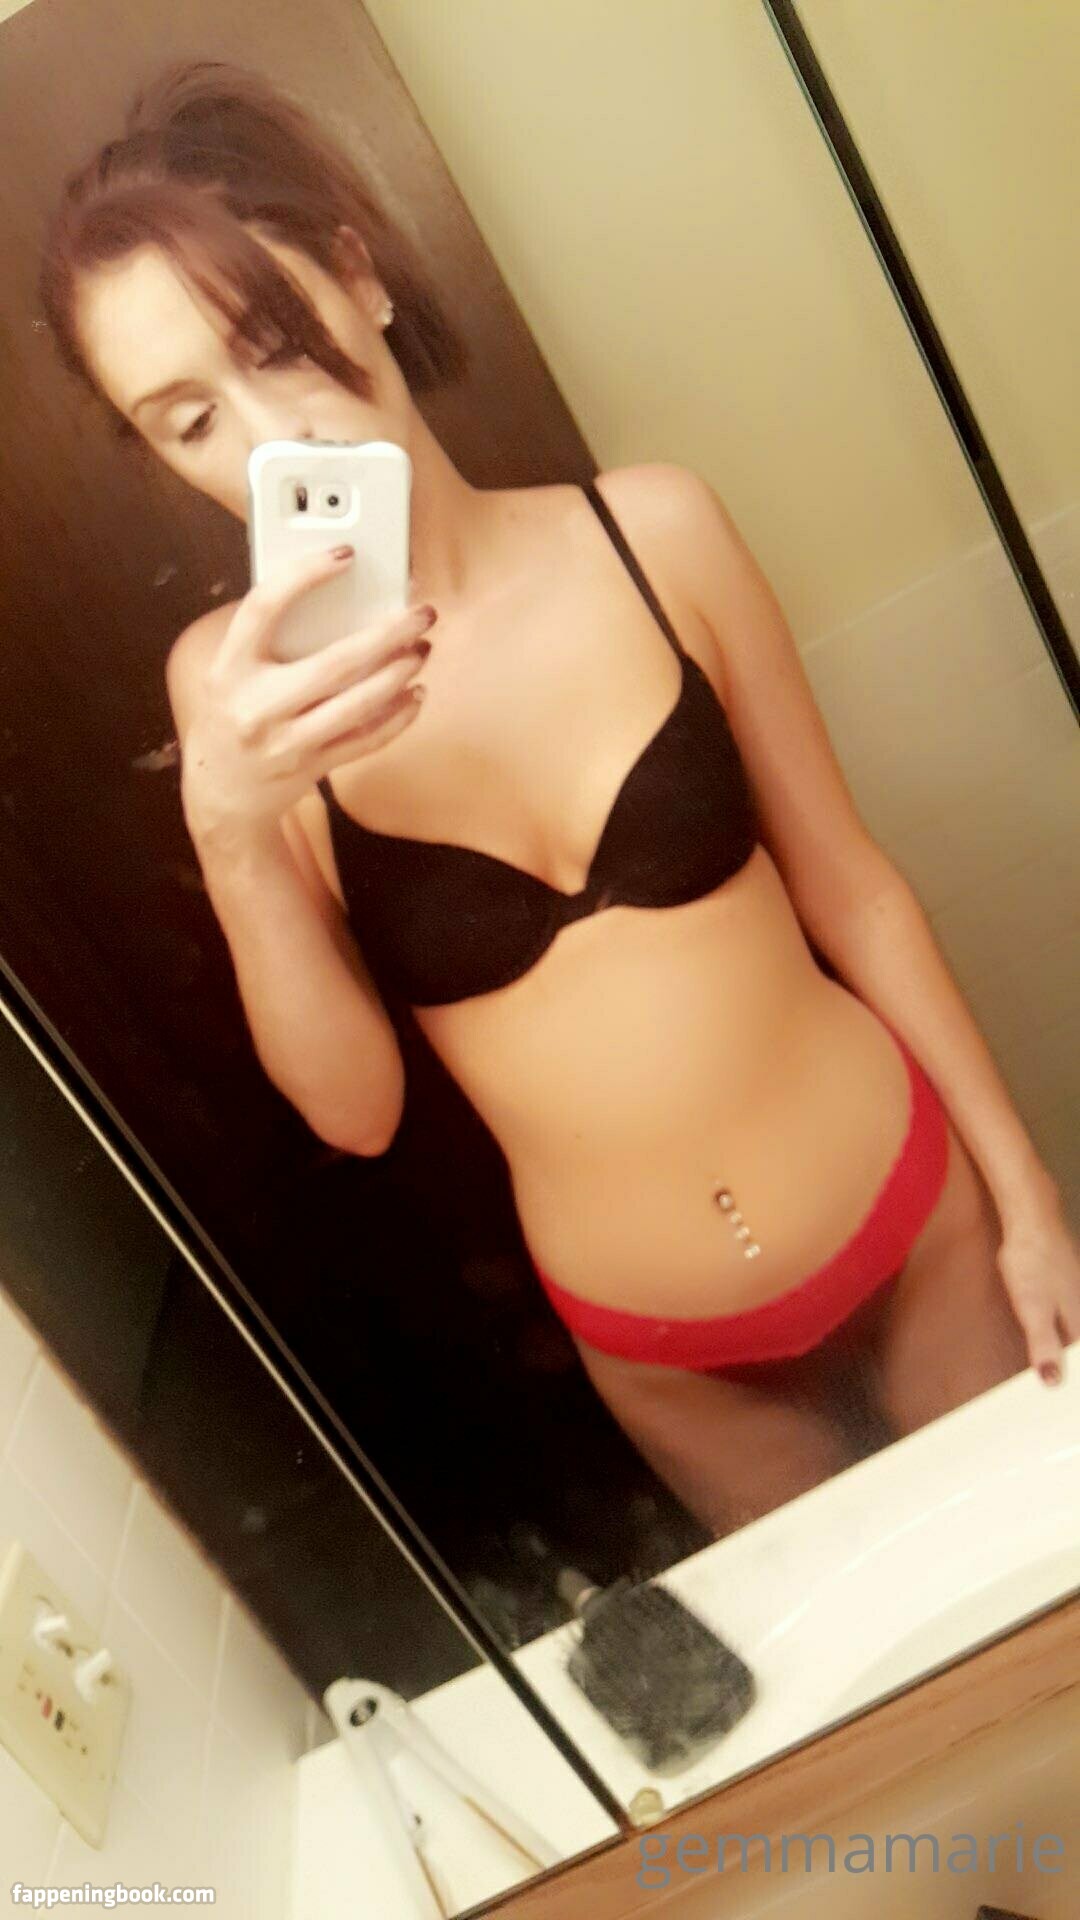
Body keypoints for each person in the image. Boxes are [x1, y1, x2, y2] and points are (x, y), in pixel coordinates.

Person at [39, 60, 1080, 1536]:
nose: (270, 436)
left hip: (919, 1227)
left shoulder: (655, 532)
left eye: (273, 342)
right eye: (188, 417)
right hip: (667, 1358)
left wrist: (1030, 1199)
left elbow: (855, 891)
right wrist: (232, 835)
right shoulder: (231, 697)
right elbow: (356, 1112)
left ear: (358, 275)